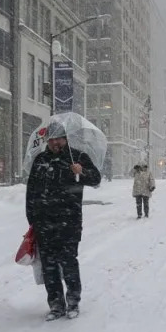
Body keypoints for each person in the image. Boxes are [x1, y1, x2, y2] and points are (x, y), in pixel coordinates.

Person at [26, 122, 102, 321]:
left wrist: (81, 172)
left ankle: (73, 301)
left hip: (69, 221)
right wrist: (32, 218)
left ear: (65, 138)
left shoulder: (77, 157)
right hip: (44, 223)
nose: (54, 142)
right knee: (49, 267)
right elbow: (31, 191)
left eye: (57, 138)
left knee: (68, 263)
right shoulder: (40, 160)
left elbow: (96, 179)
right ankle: (56, 305)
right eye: (50, 139)